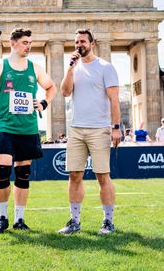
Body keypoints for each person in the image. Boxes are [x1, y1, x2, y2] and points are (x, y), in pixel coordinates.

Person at [0, 28, 56, 234]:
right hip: (5, 127)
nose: (29, 46)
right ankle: (2, 217)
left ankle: (20, 219)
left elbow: (52, 88)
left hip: (29, 128)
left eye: (30, 43)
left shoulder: (35, 68)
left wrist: (43, 103)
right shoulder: (0, 66)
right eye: (25, 42)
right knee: (2, 172)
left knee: (23, 175)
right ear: (13, 43)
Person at [58, 29, 121, 235]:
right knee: (74, 175)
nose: (79, 45)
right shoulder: (74, 68)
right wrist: (69, 69)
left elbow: (114, 100)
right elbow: (65, 92)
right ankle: (74, 221)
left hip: (99, 129)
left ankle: (108, 221)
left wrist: (116, 127)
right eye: (76, 42)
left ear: (92, 43)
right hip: (76, 128)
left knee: (103, 176)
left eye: (82, 41)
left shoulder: (105, 67)